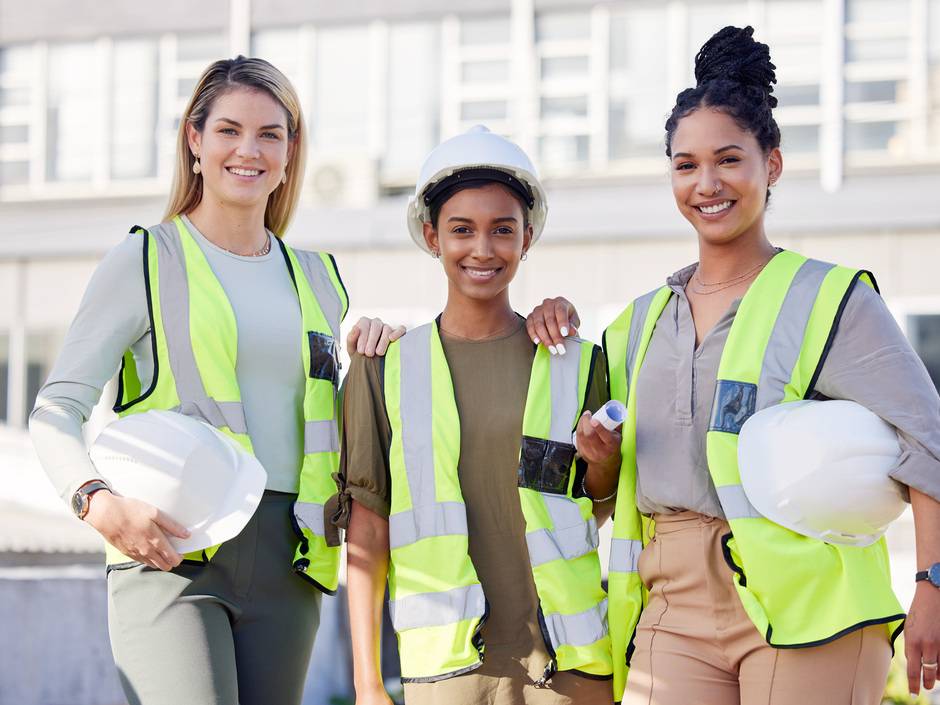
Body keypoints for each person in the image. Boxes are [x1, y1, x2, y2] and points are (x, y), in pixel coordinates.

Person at [526, 26, 940, 705]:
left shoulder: (829, 299)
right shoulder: (635, 325)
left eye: (728, 160)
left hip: (811, 606)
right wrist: (598, 457)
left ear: (771, 165)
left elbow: (928, 437)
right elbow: (606, 493)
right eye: (685, 165)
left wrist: (933, 583)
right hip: (671, 608)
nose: (706, 183)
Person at [29, 56, 402, 705]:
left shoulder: (320, 278)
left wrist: (379, 357)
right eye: (229, 130)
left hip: (291, 557)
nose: (248, 150)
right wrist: (97, 501)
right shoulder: (145, 260)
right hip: (172, 554)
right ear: (194, 141)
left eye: (270, 134)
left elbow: (328, 421)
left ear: (290, 153)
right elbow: (56, 408)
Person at [332, 125, 620, 705]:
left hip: (570, 660)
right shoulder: (382, 367)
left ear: (528, 237)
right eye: (462, 229)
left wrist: (604, 463)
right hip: (447, 670)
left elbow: (600, 502)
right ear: (432, 236)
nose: (483, 249)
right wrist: (367, 683)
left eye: (502, 230)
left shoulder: (576, 361)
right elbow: (368, 528)